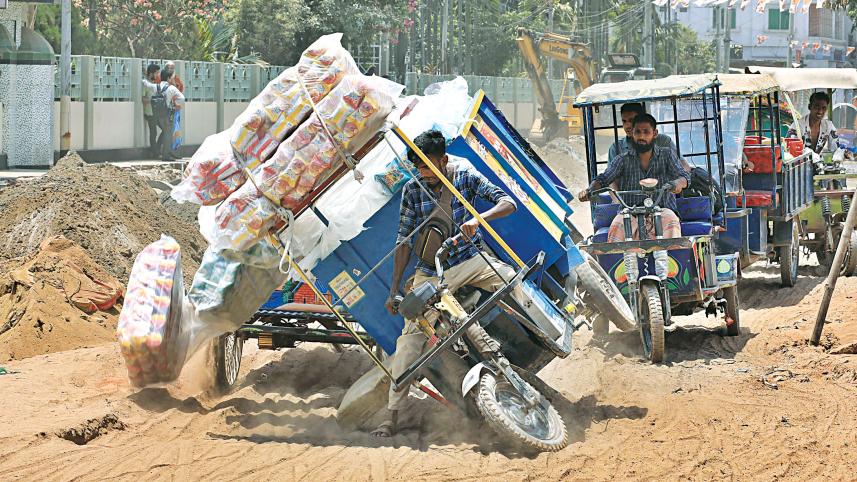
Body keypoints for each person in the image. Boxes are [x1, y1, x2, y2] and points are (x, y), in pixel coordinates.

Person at [372, 129, 519, 438]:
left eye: (426, 166)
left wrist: (478, 219)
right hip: (430, 272)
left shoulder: (464, 175)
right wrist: (395, 290)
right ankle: (391, 416)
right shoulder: (413, 190)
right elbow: (404, 242)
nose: (422, 173)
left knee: (513, 283)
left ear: (443, 160)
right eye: (418, 167)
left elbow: (508, 203)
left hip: (470, 260)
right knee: (408, 341)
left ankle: (540, 340)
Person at [579, 113, 690, 243]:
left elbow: (684, 176)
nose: (641, 136)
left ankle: (673, 262)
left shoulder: (667, 155)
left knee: (671, 221)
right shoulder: (622, 159)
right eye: (638, 132)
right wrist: (589, 190)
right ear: (632, 134)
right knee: (616, 226)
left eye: (646, 132)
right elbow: (603, 179)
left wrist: (677, 184)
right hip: (629, 213)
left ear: (654, 133)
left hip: (663, 210)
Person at [152, 70, 185, 161]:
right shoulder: (171, 88)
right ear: (168, 78)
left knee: (165, 132)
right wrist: (174, 100)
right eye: (172, 78)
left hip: (155, 114)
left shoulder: (155, 86)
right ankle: (166, 155)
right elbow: (182, 98)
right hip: (165, 114)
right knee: (168, 134)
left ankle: (159, 151)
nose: (172, 80)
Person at [141, 63, 161, 158]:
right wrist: (152, 100)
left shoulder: (155, 84)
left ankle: (156, 149)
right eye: (156, 73)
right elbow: (143, 99)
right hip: (150, 112)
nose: (158, 75)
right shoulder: (145, 83)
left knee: (166, 129)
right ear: (151, 73)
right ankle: (155, 153)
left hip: (158, 112)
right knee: (153, 133)